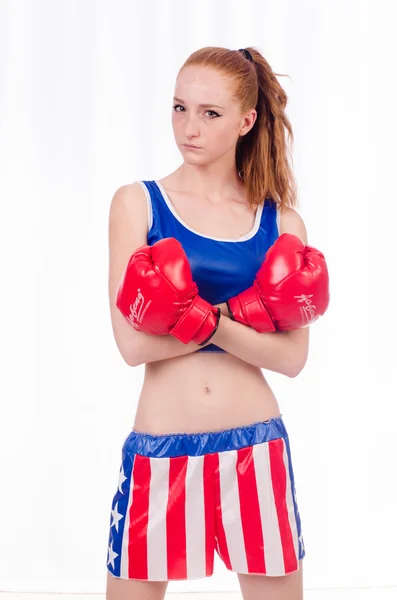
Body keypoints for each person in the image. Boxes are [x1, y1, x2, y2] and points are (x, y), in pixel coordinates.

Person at [105, 46, 329, 600]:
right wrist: (238, 322)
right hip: (162, 446)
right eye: (180, 108)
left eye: (209, 113)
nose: (189, 127)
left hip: (256, 447)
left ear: (246, 121)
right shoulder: (138, 203)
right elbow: (132, 345)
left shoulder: (280, 220)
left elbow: (292, 358)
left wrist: (204, 322)